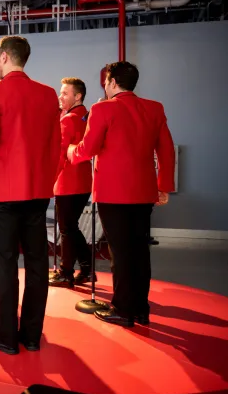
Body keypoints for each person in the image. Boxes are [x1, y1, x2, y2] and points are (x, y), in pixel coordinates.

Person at [0, 36, 61, 354]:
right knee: (38, 264)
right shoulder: (48, 95)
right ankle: (32, 335)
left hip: (2, 196)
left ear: (5, 57)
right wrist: (47, 182)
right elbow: (56, 147)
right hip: (37, 193)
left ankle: (7, 335)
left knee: (5, 264)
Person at [68, 61, 175, 328]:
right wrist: (164, 186)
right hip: (143, 191)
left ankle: (123, 309)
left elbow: (89, 147)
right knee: (139, 250)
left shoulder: (102, 108)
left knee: (121, 253)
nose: (104, 85)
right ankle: (140, 308)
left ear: (113, 82)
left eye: (106, 80)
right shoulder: (154, 108)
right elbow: (166, 150)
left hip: (112, 193)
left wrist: (72, 152)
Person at [49, 77, 95, 288]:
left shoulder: (67, 120)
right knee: (71, 227)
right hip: (83, 182)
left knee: (67, 229)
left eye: (65, 93)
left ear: (78, 96)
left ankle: (65, 272)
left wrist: (50, 180)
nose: (61, 96)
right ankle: (86, 268)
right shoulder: (86, 117)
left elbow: (60, 153)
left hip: (68, 182)